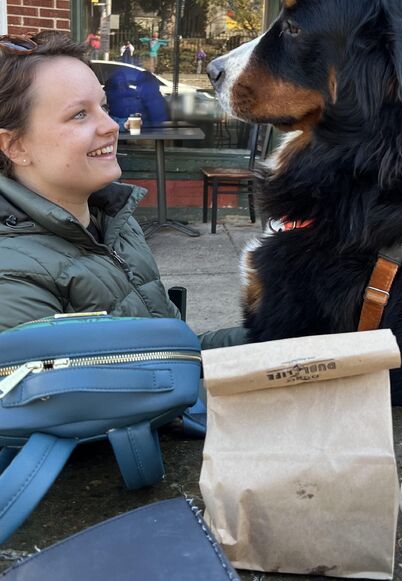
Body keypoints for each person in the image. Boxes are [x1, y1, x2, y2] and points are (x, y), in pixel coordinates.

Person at [0, 31, 245, 349]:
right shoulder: (13, 280)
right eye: (79, 114)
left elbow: (170, 355)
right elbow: (93, 397)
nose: (111, 125)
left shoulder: (114, 220)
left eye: (103, 106)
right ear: (14, 146)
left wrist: (282, 332)